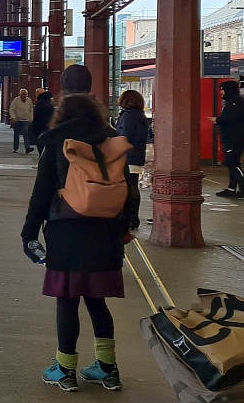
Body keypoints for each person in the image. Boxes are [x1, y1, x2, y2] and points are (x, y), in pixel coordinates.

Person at [21, 93, 134, 393]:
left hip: (66, 232)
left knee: (67, 302)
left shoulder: (56, 142)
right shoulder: (112, 141)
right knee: (98, 302)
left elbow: (41, 194)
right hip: (106, 233)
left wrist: (29, 235)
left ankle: (65, 369)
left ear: (62, 114)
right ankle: (108, 369)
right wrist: (125, 227)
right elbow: (130, 190)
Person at [116, 90, 148, 229]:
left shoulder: (128, 116)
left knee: (127, 186)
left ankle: (130, 217)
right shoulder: (140, 115)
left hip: (128, 156)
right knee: (133, 185)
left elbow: (124, 137)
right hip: (137, 155)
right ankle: (134, 217)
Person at [210, 80, 244, 198]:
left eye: (223, 89)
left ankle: (242, 188)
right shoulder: (233, 101)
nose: (221, 92)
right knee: (232, 163)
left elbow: (233, 118)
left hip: (234, 138)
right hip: (232, 137)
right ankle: (231, 188)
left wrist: (217, 120)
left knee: (232, 163)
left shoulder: (236, 102)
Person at [30, 88, 55, 156]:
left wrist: (33, 127)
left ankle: (42, 160)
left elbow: (38, 117)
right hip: (49, 126)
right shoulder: (49, 101)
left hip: (41, 127)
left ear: (38, 94)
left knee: (41, 144)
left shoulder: (41, 103)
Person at [9, 88, 34, 154]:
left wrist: (31, 118)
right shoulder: (16, 100)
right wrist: (13, 117)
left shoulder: (29, 100)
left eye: (25, 94)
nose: (24, 96)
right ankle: (15, 148)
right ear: (20, 95)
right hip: (17, 120)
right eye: (23, 94)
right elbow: (11, 110)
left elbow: (31, 110)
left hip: (25, 120)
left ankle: (27, 147)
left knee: (25, 134)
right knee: (16, 135)